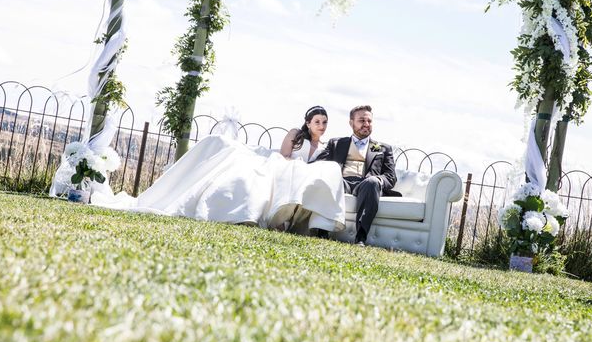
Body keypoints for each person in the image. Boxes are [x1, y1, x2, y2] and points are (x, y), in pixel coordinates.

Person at [91, 106, 345, 234]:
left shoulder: (323, 145)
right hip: (283, 165)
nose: (321, 126)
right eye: (317, 122)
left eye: (324, 123)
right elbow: (284, 156)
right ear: (308, 122)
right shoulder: (295, 135)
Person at [315, 105, 397, 245]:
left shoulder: (384, 148)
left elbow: (391, 177)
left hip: (366, 185)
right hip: (342, 181)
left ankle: (360, 237)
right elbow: (320, 164)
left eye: (369, 121)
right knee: (331, 179)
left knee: (371, 182)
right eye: (361, 120)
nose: (366, 124)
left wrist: (377, 180)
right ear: (351, 122)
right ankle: (323, 231)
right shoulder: (336, 143)